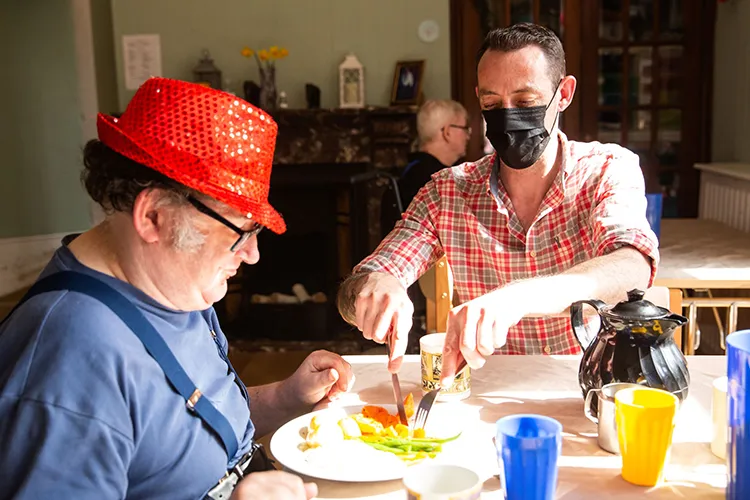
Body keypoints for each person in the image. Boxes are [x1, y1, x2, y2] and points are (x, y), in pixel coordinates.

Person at [0, 77, 353, 499]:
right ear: (154, 218)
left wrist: (285, 397)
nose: (254, 254)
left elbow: (183, 435)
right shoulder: (69, 362)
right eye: (241, 230)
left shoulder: (169, 281)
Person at [337, 23, 659, 386]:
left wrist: (519, 296)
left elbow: (632, 264)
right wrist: (377, 285)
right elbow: (358, 286)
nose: (508, 116)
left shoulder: (606, 169)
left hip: (586, 385)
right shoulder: (449, 192)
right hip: (486, 393)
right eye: (491, 104)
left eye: (525, 102)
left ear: (564, 94)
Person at [399, 99, 471, 208]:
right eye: (465, 128)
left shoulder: (408, 173)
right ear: (447, 132)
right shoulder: (438, 182)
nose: (468, 136)